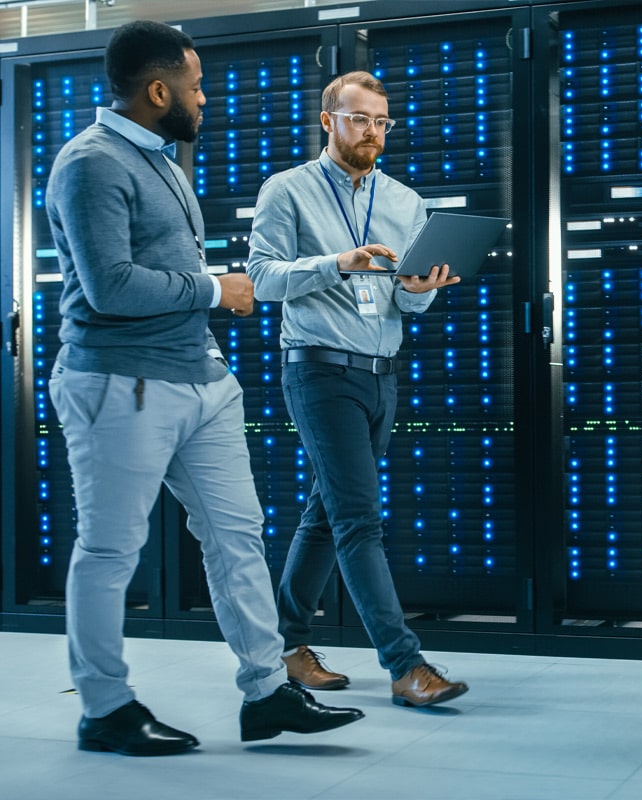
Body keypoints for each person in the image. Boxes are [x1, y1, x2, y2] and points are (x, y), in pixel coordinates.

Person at [45, 20, 364, 756]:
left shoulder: (162, 158)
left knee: (237, 537)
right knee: (109, 551)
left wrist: (213, 333)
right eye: (194, 85)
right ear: (159, 91)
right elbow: (110, 287)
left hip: (199, 381)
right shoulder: (90, 163)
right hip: (119, 385)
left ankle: (266, 693)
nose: (205, 98)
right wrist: (217, 290)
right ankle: (105, 708)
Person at [247, 71, 469, 708]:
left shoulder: (404, 201)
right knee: (358, 519)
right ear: (328, 121)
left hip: (382, 375)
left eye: (381, 122)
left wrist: (417, 293)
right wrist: (335, 263)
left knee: (328, 511)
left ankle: (285, 645)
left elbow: (401, 296)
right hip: (318, 370)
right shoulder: (286, 190)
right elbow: (262, 279)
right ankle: (405, 666)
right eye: (359, 119)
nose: (371, 132)